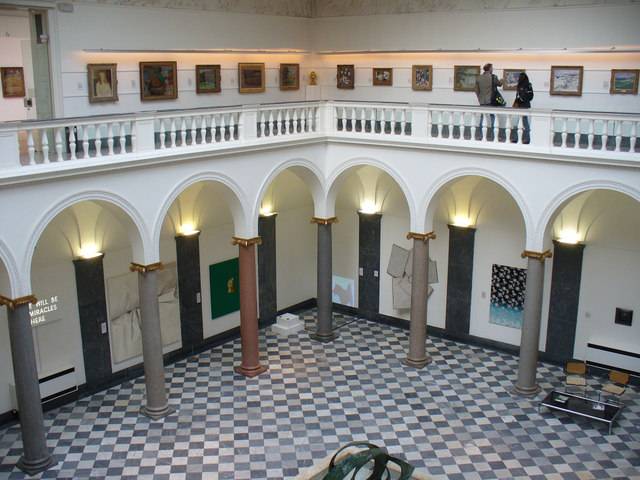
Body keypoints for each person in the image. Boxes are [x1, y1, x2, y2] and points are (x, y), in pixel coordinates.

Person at [475, 63, 502, 138]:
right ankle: (494, 135)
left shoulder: (479, 78)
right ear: (489, 68)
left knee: (482, 117)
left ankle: (479, 135)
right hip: (491, 100)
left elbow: (476, 90)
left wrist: (479, 98)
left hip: (482, 101)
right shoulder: (493, 77)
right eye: (492, 68)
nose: (492, 69)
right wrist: (502, 80)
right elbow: (499, 84)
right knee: (492, 117)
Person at [513, 72, 534, 144]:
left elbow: (530, 96)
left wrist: (522, 99)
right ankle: (521, 138)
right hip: (522, 105)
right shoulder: (524, 85)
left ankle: (522, 139)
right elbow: (530, 96)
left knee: (522, 122)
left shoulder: (525, 85)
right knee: (521, 122)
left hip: (523, 105)